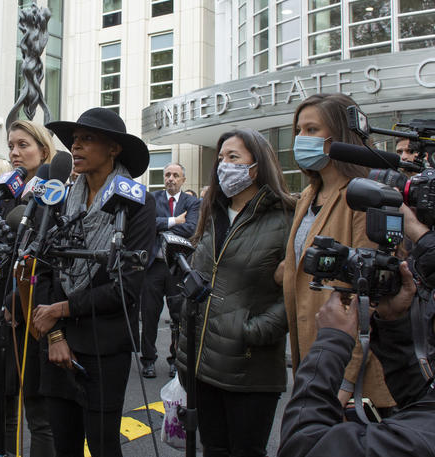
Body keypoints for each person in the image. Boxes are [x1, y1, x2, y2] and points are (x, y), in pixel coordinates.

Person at [33, 107, 156, 457]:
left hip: (105, 346)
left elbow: (128, 288)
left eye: (88, 139)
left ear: (114, 148)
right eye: (74, 140)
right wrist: (56, 334)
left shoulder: (138, 203)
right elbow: (43, 268)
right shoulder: (59, 198)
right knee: (64, 445)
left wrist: (62, 309)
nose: (77, 146)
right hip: (57, 344)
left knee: (103, 445)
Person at [175, 128, 295, 457]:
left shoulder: (286, 219)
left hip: (249, 369)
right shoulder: (211, 214)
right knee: (212, 448)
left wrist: (253, 331)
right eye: (221, 158)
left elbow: (296, 293)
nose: (224, 165)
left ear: (257, 166)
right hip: (201, 365)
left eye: (234, 157)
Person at [282, 93, 396, 413]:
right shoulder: (308, 194)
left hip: (350, 375)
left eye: (312, 129)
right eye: (298, 130)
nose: (301, 138)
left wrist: (343, 384)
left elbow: (366, 299)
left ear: (340, 137)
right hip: (311, 356)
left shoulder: (365, 195)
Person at [278, 258, 435, 457]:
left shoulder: (417, 441)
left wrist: (331, 343)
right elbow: (422, 402)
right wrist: (394, 324)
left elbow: (304, 447)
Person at [0, 120, 57, 457]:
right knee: (3, 412)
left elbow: (53, 262)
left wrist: (15, 301)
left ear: (44, 149)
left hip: (34, 321)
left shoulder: (58, 195)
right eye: (11, 145)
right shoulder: (3, 195)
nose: (14, 152)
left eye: (23, 144)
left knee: (40, 419)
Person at [140, 162, 200, 378]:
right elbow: (146, 225)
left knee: (178, 316)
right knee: (149, 315)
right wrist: (175, 220)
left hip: (177, 267)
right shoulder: (152, 199)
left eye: (175, 175)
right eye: (167, 175)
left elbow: (191, 228)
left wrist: (161, 225)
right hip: (153, 267)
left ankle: (176, 359)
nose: (170, 179)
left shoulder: (192, 202)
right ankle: (148, 359)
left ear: (183, 179)